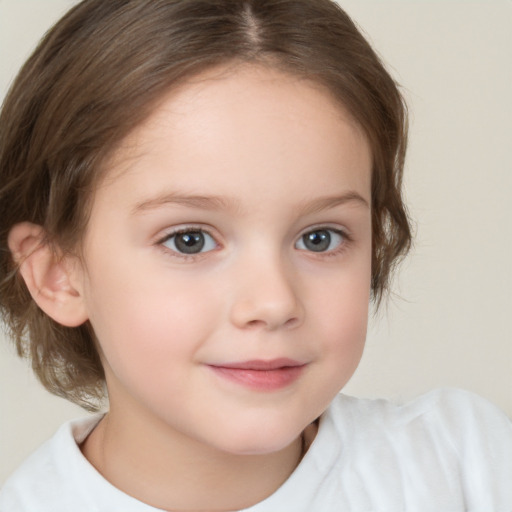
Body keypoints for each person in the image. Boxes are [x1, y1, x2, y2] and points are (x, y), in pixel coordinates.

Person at [0, 0, 510, 510]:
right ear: (58, 274)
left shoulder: (465, 467)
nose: (272, 302)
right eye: (189, 240)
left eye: (320, 237)